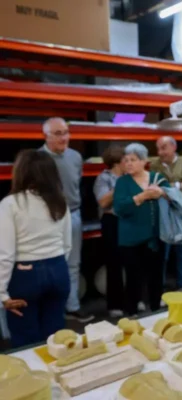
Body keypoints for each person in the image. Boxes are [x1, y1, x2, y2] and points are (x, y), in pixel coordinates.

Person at [0, 150, 71, 348]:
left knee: (26, 339)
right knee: (56, 338)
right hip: (58, 269)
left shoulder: (10, 204)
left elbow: (5, 253)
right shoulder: (60, 201)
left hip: (25, 275)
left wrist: (2, 294)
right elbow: (67, 244)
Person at [40, 117, 93, 323]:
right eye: (58, 133)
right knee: (50, 264)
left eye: (66, 133)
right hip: (48, 218)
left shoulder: (75, 157)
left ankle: (72, 306)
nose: (64, 138)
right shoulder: (38, 160)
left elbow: (76, 184)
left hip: (73, 214)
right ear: (46, 136)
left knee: (73, 263)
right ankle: (51, 311)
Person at [113, 143, 170, 315]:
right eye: (126, 160)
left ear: (144, 161)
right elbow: (119, 208)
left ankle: (156, 310)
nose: (128, 163)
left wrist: (162, 193)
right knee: (133, 278)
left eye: (133, 160)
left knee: (156, 276)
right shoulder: (122, 182)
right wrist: (141, 197)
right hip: (131, 239)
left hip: (156, 237)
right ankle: (131, 314)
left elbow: (174, 199)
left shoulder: (157, 178)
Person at [151, 136, 182, 292]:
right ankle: (159, 288)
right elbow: (153, 190)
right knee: (162, 255)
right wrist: (179, 186)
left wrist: (168, 188)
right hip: (164, 218)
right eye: (158, 149)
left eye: (163, 148)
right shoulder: (154, 165)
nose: (160, 152)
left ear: (174, 147)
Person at [93, 145, 126, 318]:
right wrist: (120, 185)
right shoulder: (103, 178)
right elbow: (103, 202)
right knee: (114, 263)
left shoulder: (130, 177)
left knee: (132, 261)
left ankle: (133, 300)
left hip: (129, 221)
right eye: (125, 160)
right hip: (112, 221)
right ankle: (115, 305)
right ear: (117, 163)